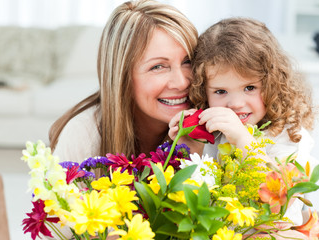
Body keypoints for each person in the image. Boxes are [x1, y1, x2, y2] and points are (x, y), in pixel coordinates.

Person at [169, 17, 318, 237]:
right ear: (203, 91)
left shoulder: (288, 134)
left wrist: (244, 141)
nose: (236, 103)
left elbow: (283, 216)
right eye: (220, 91)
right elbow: (194, 198)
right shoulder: (215, 132)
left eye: (249, 87)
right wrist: (190, 145)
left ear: (272, 84)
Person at [49, 0, 198, 167]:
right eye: (158, 67)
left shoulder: (214, 124)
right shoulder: (83, 136)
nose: (182, 82)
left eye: (188, 61)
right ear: (122, 77)